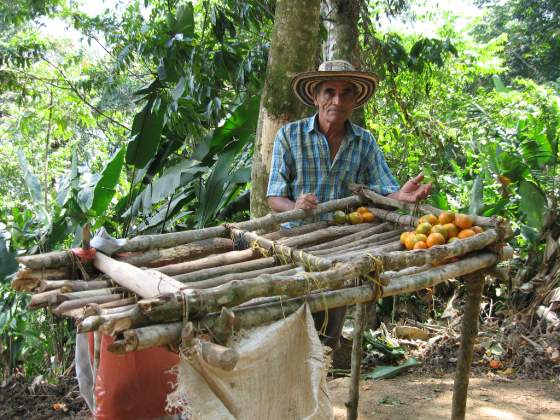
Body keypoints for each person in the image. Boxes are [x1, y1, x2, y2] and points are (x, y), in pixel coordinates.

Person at [266, 59, 431, 349]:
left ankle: (326, 372)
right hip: (296, 242)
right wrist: (295, 206)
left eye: (346, 93)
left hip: (343, 246)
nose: (337, 100)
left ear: (355, 101)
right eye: (329, 91)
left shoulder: (364, 142)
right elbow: (274, 196)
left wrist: (400, 197)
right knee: (291, 323)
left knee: (328, 328)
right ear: (316, 97)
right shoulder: (289, 136)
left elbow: (384, 190)